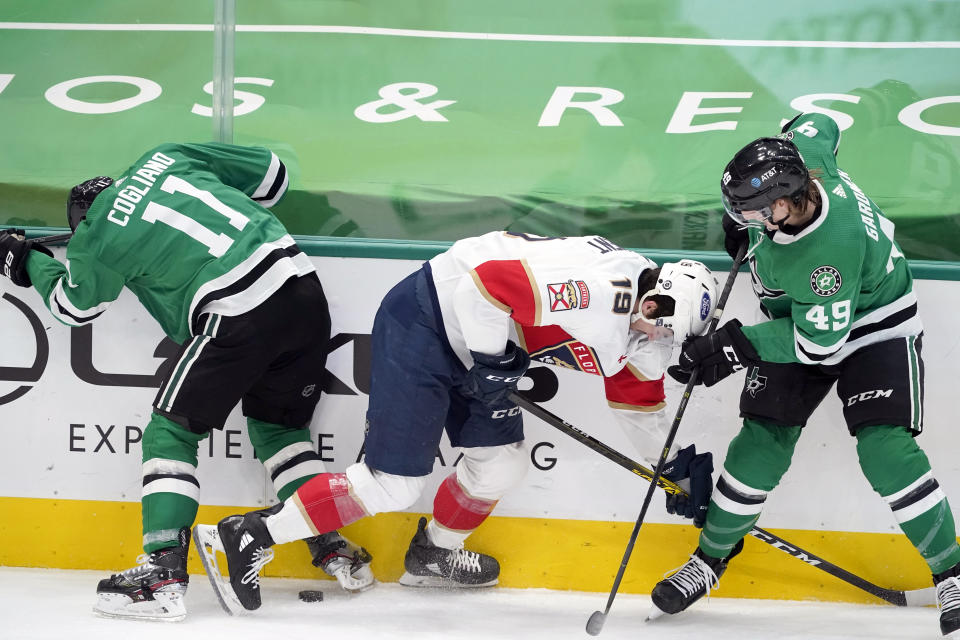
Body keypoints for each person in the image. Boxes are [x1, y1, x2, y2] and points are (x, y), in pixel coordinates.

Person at [190, 230, 720, 612]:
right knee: (392, 485)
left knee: (500, 467)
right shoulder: (601, 290)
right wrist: (491, 364)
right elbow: (488, 285)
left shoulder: (645, 323)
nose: (662, 346)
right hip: (428, 319)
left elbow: (637, 401)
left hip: (484, 346)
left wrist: (669, 467)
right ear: (652, 304)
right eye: (664, 334)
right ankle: (248, 534)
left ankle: (433, 555)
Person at [0, 142, 373, 622]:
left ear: (82, 222)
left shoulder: (96, 235)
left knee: (169, 432)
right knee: (280, 431)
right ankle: (331, 545)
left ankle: (161, 575)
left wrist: (27, 260)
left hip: (236, 312)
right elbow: (274, 178)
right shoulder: (168, 157)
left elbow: (73, 306)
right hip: (302, 291)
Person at [652, 113, 960, 638]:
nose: (743, 218)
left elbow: (817, 346)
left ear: (782, 203)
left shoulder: (826, 258)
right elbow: (817, 123)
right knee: (759, 444)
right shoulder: (806, 161)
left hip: (874, 331)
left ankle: (951, 572)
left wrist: (732, 346)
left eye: (750, 212)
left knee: (885, 451)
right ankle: (710, 561)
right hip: (808, 320)